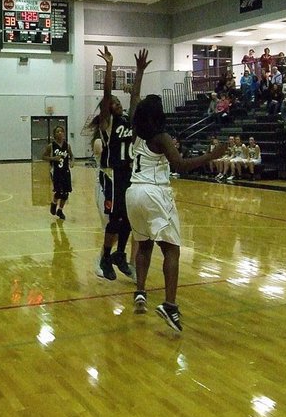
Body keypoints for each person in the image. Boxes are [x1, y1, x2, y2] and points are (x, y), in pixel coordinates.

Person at [127, 94, 227, 332]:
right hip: (154, 193)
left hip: (133, 192)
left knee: (143, 245)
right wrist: (212, 155)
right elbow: (180, 165)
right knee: (171, 249)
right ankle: (170, 306)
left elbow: (133, 103)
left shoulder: (135, 132)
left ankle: (140, 292)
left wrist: (139, 73)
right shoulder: (161, 138)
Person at [88, 46, 150, 281]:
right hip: (111, 175)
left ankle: (120, 254)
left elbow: (134, 98)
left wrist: (139, 71)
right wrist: (109, 66)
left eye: (117, 101)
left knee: (129, 218)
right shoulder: (108, 123)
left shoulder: (128, 120)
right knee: (115, 219)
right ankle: (105, 256)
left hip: (128, 174)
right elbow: (106, 94)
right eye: (113, 102)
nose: (117, 103)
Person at [42, 125, 73, 220]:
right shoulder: (51, 146)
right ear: (54, 134)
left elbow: (72, 156)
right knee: (59, 192)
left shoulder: (67, 145)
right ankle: (54, 203)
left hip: (66, 171)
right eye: (57, 132)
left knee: (66, 193)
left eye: (61, 131)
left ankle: (60, 210)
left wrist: (72, 162)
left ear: (64, 133)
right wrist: (53, 158)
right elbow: (43, 157)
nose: (60, 133)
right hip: (56, 171)